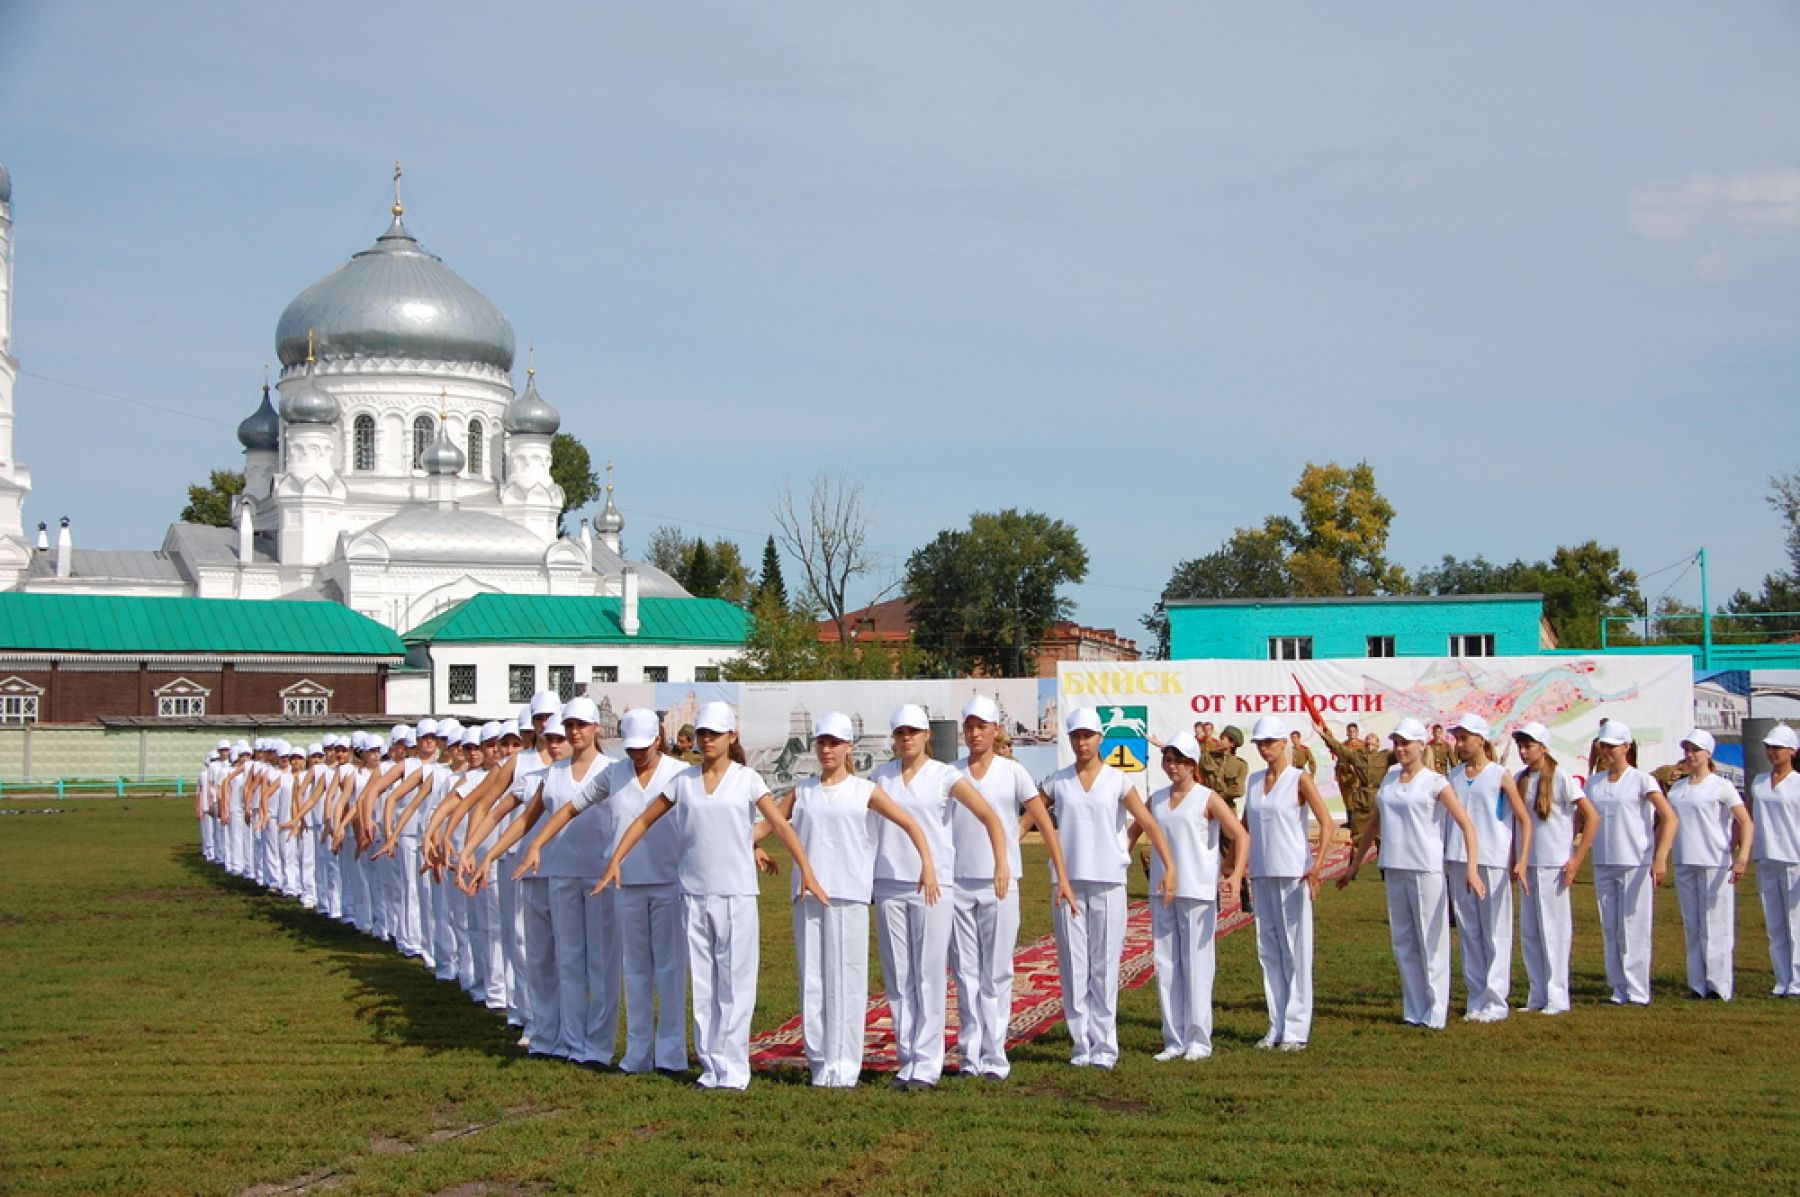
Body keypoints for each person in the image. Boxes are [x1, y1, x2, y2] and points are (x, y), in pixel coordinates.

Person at [594, 701, 827, 1091]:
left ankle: (734, 1068)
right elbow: (644, 820)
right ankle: (710, 1064)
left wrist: (806, 870)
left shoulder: (747, 779)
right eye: (702, 734)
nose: (707, 741)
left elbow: (780, 827)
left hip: (735, 894)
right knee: (703, 984)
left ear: (731, 736)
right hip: (694, 894)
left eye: (715, 734)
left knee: (735, 983)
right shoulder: (683, 781)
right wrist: (616, 859)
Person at [513, 708, 688, 1073]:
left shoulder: (680, 774)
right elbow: (569, 809)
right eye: (631, 748)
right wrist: (536, 844)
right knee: (634, 972)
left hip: (669, 882)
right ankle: (635, 1054)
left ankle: (671, 1055)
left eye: (644, 747)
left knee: (669, 969)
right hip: (624, 882)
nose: (637, 755)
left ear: (659, 740)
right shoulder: (615, 773)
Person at [772, 711, 940, 1087]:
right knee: (812, 979)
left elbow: (911, 824)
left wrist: (927, 864)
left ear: (849, 746)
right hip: (807, 894)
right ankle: (819, 1063)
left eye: (835, 743)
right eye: (822, 743)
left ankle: (845, 1065)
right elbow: (771, 825)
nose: (827, 750)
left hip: (848, 893)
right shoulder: (803, 791)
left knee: (847, 979)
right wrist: (749, 847)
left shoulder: (865, 791)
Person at [870, 704, 1011, 1089]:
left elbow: (990, 817)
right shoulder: (880, 776)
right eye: (900, 732)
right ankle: (907, 1059)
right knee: (899, 977)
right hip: (888, 883)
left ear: (927, 735)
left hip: (934, 886)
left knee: (929, 974)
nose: (906, 738)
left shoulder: (945, 776)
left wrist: (1001, 862)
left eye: (913, 732)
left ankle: (928, 1064)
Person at [1037, 706, 1176, 1068]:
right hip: (1067, 883)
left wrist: (1170, 865)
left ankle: (1105, 1046)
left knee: (1104, 964)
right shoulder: (1058, 781)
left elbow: (1147, 821)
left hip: (1109, 881)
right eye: (1077, 736)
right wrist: (1004, 855)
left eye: (1088, 735)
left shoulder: (1118, 781)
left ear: (1100, 739)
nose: (1082, 742)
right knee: (1073, 965)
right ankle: (1081, 1044)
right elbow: (1031, 816)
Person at [950, 696, 1076, 1081]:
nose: (975, 733)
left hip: (1001, 883)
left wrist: (1063, 877)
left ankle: (995, 1055)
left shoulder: (1013, 772)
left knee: (997, 971)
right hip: (957, 883)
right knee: (965, 973)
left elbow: (1044, 823)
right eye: (969, 727)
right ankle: (970, 1055)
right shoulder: (950, 773)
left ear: (995, 730)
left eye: (982, 727)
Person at [1338, 717, 1486, 1029]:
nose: (1401, 749)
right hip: (1394, 867)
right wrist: (1353, 866)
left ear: (1422, 745)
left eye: (1406, 743)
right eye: (1397, 743)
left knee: (1431, 940)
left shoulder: (1436, 782)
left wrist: (1471, 869)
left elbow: (1467, 827)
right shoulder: (1390, 780)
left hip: (1426, 869)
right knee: (1403, 940)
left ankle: (1435, 1011)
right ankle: (1413, 1008)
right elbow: (1373, 825)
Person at [1133, 733, 1247, 1060]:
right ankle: (1173, 1038)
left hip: (1197, 890)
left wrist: (1235, 874)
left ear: (1192, 764)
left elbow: (1239, 834)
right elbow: (1133, 833)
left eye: (1179, 760)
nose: (1173, 767)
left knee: (1197, 965)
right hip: (1162, 891)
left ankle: (1198, 1038)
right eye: (1168, 759)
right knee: (1166, 963)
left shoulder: (1207, 798)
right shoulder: (1155, 799)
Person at [1246, 715, 1335, 1049]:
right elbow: (1246, 825)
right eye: (1260, 743)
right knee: (1268, 950)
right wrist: (1235, 863)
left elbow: (1326, 823)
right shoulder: (1254, 781)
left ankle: (1296, 1030)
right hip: (1262, 872)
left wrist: (1317, 867)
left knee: (1296, 951)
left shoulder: (1300, 779)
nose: (1265, 748)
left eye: (1270, 742)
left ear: (1284, 742)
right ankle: (1276, 1024)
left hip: (1293, 873)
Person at [1443, 713, 1531, 1021]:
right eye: (1457, 738)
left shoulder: (1499, 774)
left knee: (1495, 930)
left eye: (1465, 738)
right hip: (1458, 858)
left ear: (1481, 740)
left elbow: (1523, 818)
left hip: (1491, 859)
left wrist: (1520, 858)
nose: (1460, 744)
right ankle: (1475, 997)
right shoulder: (1453, 776)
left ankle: (1496, 1001)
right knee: (1468, 931)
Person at [1584, 721, 1679, 1005]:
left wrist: (1660, 857)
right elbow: (1583, 821)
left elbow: (1670, 818)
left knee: (1634, 927)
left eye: (1613, 746)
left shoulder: (1642, 780)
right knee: (1610, 927)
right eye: (1604, 745)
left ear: (1626, 747)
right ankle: (1618, 988)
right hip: (1603, 861)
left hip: (1635, 862)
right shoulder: (1594, 783)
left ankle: (1637, 991)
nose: (1608, 751)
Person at [1512, 722, 1599, 1015]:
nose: (1523, 752)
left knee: (1555, 931)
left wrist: (1575, 860)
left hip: (1555, 864)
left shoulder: (1561, 778)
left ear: (1544, 748)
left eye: (1529, 746)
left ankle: (1557, 995)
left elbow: (1592, 818)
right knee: (1531, 932)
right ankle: (1537, 994)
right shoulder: (1519, 779)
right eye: (1521, 747)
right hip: (1529, 864)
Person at [1666, 729, 1752, 1000]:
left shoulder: (1721, 786)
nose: (1690, 755)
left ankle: (1719, 986)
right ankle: (1697, 983)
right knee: (1693, 925)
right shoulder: (1677, 789)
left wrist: (1742, 857)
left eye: (1695, 750)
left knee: (1716, 926)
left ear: (1707, 754)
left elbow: (1745, 822)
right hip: (1684, 861)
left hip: (1715, 863)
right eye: (1687, 750)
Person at [1750, 724, 1800, 996]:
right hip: (1766, 857)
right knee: (1775, 924)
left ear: (1792, 751)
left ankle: (1797, 982)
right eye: (1769, 747)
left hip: (1794, 858)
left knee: (1796, 923)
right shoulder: (1759, 782)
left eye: (1778, 748)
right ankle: (1782, 980)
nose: (1772, 752)